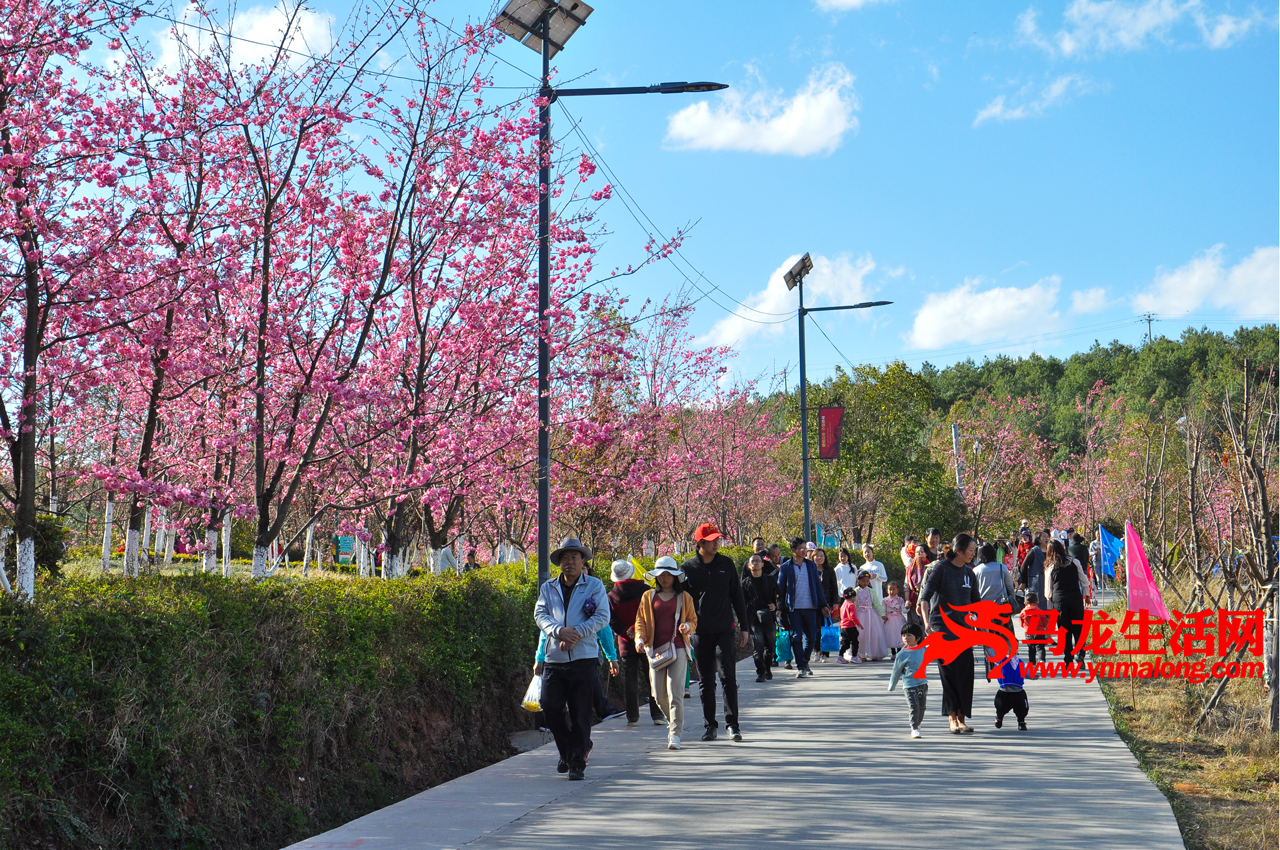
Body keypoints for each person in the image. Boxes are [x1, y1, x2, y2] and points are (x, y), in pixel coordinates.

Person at [533, 537, 611, 780]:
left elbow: (602, 617)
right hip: (555, 658)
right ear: (559, 563)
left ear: (582, 560)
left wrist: (576, 633)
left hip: (583, 658)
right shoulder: (549, 587)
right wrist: (558, 631)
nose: (569, 563)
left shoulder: (595, 586)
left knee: (580, 712)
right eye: (564, 558)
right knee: (550, 707)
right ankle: (569, 750)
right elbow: (540, 614)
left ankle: (576, 762)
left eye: (574, 558)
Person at [681, 523, 749, 743]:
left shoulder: (726, 564)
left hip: (724, 630)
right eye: (713, 540)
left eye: (719, 539)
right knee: (706, 681)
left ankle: (733, 725)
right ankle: (710, 725)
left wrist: (744, 627)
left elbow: (737, 596)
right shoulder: (687, 568)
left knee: (728, 677)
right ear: (701, 543)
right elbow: (680, 601)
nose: (717, 543)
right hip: (700, 632)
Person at [919, 533, 982, 734]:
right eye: (971, 550)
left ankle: (962, 717)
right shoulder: (940, 569)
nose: (973, 554)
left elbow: (976, 604)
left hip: (964, 631)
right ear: (960, 551)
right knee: (949, 674)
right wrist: (927, 622)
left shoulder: (970, 574)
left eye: (974, 550)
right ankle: (952, 718)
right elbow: (925, 598)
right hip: (942, 629)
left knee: (965, 674)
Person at [634, 557, 698, 750]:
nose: (665, 578)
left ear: (676, 576)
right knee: (658, 694)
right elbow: (640, 621)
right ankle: (674, 722)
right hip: (655, 649)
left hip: (677, 647)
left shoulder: (684, 597)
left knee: (675, 691)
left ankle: (675, 734)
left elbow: (693, 620)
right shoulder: (648, 596)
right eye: (661, 574)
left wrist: (687, 626)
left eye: (669, 574)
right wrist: (639, 638)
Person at [607, 558, 665, 727]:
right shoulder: (645, 589)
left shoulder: (611, 596)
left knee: (630, 679)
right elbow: (653, 612)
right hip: (648, 639)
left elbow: (612, 621)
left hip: (626, 642)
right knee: (652, 676)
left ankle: (632, 717)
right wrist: (637, 628)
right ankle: (657, 715)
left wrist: (627, 631)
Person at [778, 536, 828, 679]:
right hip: (793, 608)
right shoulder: (786, 567)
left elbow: (818, 586)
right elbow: (781, 589)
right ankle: (801, 667)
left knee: (811, 637)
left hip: (811, 607)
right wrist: (780, 608)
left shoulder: (811, 565)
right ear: (793, 551)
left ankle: (804, 662)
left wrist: (823, 605)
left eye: (804, 548)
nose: (803, 551)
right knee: (796, 637)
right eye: (800, 548)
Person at [1047, 539, 1087, 666]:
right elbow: (1083, 579)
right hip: (1075, 597)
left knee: (1064, 631)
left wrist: (1050, 607)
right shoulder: (1074, 562)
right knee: (1078, 628)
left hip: (1059, 600)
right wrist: (1087, 595)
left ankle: (1068, 660)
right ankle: (1080, 653)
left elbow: (1048, 590)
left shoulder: (1050, 566)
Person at [741, 553, 779, 683]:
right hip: (753, 619)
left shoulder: (770, 580)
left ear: (763, 564)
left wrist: (776, 606)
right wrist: (743, 622)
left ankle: (767, 668)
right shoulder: (744, 584)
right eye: (753, 561)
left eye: (758, 561)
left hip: (769, 617)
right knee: (758, 646)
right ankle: (760, 672)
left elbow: (779, 596)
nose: (756, 563)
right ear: (749, 565)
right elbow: (741, 604)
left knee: (771, 647)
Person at [887, 622, 929, 739]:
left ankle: (918, 724)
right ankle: (914, 727)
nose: (906, 638)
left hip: (923, 684)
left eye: (909, 635)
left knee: (922, 707)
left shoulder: (923, 650)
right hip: (909, 685)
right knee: (913, 706)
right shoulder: (901, 655)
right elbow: (896, 671)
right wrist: (892, 685)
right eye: (904, 635)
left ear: (918, 638)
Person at [854, 569, 888, 661]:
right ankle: (861, 654)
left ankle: (874, 653)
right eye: (863, 581)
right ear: (858, 580)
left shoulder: (872, 592)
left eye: (867, 581)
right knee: (861, 635)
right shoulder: (855, 592)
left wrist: (882, 614)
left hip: (871, 615)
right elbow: (853, 605)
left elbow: (876, 604)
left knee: (874, 634)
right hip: (860, 615)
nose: (865, 583)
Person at [812, 546, 839, 660]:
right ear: (813, 557)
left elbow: (834, 587)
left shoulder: (829, 571)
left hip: (826, 603)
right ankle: (817, 650)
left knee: (826, 628)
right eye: (817, 556)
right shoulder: (810, 570)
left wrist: (834, 602)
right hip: (813, 603)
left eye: (821, 556)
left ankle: (825, 653)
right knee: (815, 628)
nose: (819, 558)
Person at [991, 652, 1029, 730]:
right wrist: (988, 647)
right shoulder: (1001, 660)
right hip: (1004, 691)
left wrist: (1032, 675)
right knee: (1001, 706)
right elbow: (992, 654)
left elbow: (1024, 672)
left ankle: (1021, 721)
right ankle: (999, 718)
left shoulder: (1020, 662)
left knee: (1022, 708)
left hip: (1018, 690)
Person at [1019, 592, 1052, 671]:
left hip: (1029, 633)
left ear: (1025, 603)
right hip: (1039, 633)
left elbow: (1021, 622)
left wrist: (1025, 626)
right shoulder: (1039, 611)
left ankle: (1032, 663)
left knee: (1031, 649)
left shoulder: (1023, 612)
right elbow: (1045, 621)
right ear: (1037, 602)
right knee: (1040, 648)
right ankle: (1041, 661)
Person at [1016, 532, 1048, 603]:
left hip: (1048, 582)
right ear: (1038, 540)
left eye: (1047, 536)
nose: (1047, 538)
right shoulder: (1034, 551)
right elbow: (1023, 567)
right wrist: (1024, 582)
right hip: (1036, 582)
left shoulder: (1050, 551)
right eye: (1044, 537)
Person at [837, 586, 862, 663]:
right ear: (852, 597)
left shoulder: (843, 605)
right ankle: (854, 656)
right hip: (850, 626)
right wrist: (859, 624)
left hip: (843, 626)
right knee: (855, 642)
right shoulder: (851, 605)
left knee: (845, 642)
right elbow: (852, 616)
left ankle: (840, 656)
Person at [882, 582, 907, 657]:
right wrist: (883, 616)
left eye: (894, 589)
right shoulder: (885, 600)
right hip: (889, 619)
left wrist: (907, 607)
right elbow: (883, 609)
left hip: (898, 619)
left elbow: (904, 610)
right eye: (890, 589)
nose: (892, 591)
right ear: (887, 591)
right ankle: (893, 653)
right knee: (891, 635)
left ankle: (899, 652)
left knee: (898, 634)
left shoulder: (900, 600)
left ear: (897, 590)